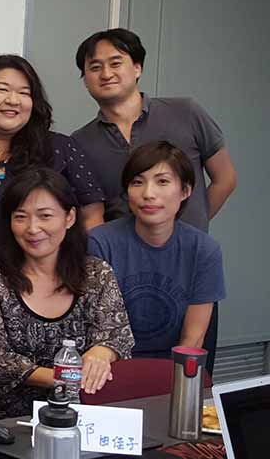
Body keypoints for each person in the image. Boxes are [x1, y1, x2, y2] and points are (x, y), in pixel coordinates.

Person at [0, 168, 134, 421]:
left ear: (69, 217)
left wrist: (102, 352)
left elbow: (117, 335)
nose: (32, 228)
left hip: (79, 413)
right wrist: (67, 377)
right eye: (20, 217)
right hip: (0, 418)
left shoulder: (96, 273)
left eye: (45, 216)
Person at [0, 54, 106, 260]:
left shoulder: (61, 148)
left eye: (24, 92)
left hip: (51, 279)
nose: (13, 100)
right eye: (2, 89)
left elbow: (92, 217)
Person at [72, 28, 237, 230]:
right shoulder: (79, 142)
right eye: (95, 67)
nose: (106, 74)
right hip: (121, 257)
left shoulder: (186, 112)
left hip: (185, 254)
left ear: (137, 68)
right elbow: (91, 213)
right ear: (85, 81)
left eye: (116, 63)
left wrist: (191, 229)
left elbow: (225, 178)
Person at [89, 141, 224, 359]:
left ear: (185, 190)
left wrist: (172, 383)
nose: (148, 193)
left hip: (173, 367)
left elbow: (194, 337)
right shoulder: (101, 241)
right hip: (111, 364)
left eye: (162, 181)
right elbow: (98, 327)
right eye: (137, 182)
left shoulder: (204, 250)